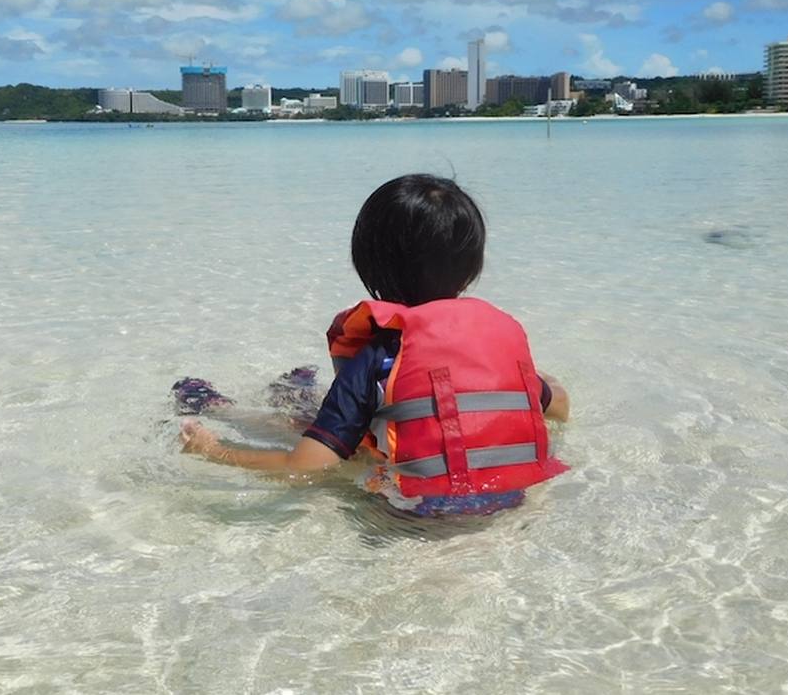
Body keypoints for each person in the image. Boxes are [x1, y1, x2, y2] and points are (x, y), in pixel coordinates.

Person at [179, 173, 570, 515]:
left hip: (409, 516)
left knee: (305, 425)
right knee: (346, 417)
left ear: (370, 266)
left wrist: (214, 453)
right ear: (471, 269)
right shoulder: (496, 348)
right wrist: (535, 378)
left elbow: (305, 467)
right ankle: (289, 394)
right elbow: (562, 407)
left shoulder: (379, 358)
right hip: (512, 505)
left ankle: (220, 409)